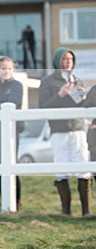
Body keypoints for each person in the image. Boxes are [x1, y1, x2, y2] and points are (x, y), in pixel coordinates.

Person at [38, 47, 91, 216]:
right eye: (64, 59)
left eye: (70, 59)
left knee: (83, 168)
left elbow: (83, 107)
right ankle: (66, 211)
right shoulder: (47, 82)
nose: (68, 62)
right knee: (62, 170)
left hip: (77, 130)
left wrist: (84, 98)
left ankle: (86, 211)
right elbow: (43, 107)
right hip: (58, 131)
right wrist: (60, 95)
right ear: (57, 61)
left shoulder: (78, 80)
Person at [0, 56, 24, 209]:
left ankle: (16, 201)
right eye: (3, 68)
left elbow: (13, 102)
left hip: (12, 130)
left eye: (9, 68)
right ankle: (4, 200)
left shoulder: (17, 85)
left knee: (12, 165)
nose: (6, 71)